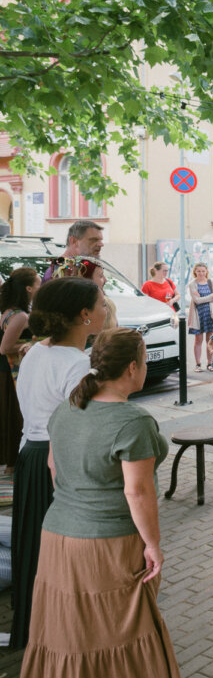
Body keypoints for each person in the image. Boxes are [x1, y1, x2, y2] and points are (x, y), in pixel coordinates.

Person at [21, 328, 178, 677]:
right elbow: (137, 492)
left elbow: (52, 466)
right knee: (121, 628)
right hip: (108, 543)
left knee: (70, 632)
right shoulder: (132, 420)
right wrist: (153, 544)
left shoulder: (67, 408)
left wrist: (75, 505)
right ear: (132, 368)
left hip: (58, 535)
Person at [11, 277, 106, 649]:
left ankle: (39, 630)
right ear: (84, 315)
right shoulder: (78, 365)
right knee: (65, 558)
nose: (104, 309)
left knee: (36, 551)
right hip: (58, 464)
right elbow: (86, 431)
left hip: (30, 457)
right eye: (101, 303)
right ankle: (65, 636)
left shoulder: (35, 352)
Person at [0, 268, 38, 470]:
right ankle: (13, 466)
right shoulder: (20, 316)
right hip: (11, 373)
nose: (40, 287)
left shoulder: (9, 311)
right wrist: (30, 346)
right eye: (39, 284)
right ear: (29, 288)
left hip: (8, 372)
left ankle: (11, 465)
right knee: (16, 418)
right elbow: (5, 347)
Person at [185, 262, 213, 372]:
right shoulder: (192, 284)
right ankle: (198, 364)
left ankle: (210, 363)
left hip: (210, 315)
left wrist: (206, 298)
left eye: (203, 271)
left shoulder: (211, 282)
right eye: (199, 271)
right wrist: (211, 296)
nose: (201, 273)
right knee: (198, 340)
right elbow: (197, 301)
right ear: (195, 271)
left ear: (207, 272)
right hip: (198, 315)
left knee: (210, 341)